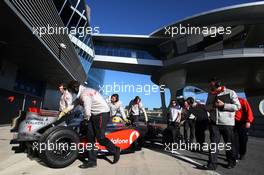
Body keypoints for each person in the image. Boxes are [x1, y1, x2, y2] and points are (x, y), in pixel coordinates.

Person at [67, 81, 120, 168]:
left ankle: (115, 149)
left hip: (102, 113)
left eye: (71, 91)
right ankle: (92, 162)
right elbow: (74, 104)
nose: (71, 92)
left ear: (75, 88)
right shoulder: (83, 92)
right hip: (94, 114)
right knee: (90, 137)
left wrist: (86, 119)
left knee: (100, 138)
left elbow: (87, 109)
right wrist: (66, 110)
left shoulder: (85, 94)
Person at [205, 77, 241, 170]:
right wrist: (212, 106)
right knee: (213, 144)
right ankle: (212, 164)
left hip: (227, 123)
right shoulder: (210, 94)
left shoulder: (230, 92)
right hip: (214, 123)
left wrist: (223, 105)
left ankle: (231, 161)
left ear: (217, 84)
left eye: (211, 85)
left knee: (228, 144)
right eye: (209, 85)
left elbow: (237, 106)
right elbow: (207, 106)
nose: (210, 86)